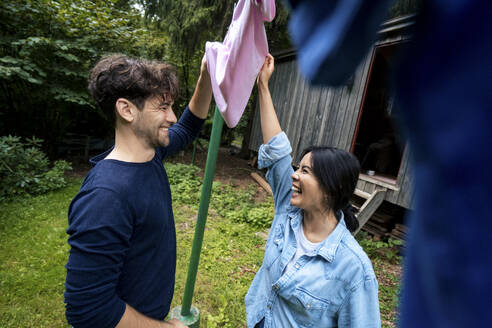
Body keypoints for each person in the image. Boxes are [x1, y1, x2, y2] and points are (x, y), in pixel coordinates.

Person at [64, 54, 213, 328]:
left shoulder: (150, 155)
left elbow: (189, 126)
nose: (172, 116)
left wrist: (207, 75)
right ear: (127, 110)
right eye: (163, 107)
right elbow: (88, 309)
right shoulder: (106, 195)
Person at [245, 54, 381, 328]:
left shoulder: (353, 268)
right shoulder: (289, 209)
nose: (294, 174)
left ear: (331, 189)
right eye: (299, 168)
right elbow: (277, 151)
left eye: (305, 171)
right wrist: (263, 86)